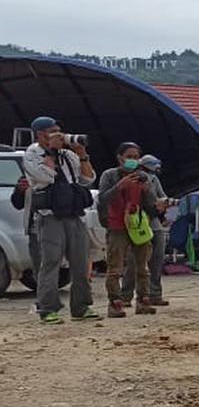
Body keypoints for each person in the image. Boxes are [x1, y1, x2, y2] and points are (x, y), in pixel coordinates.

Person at [23, 116, 98, 324]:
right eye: (53, 131)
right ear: (41, 134)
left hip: (74, 214)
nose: (59, 134)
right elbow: (44, 177)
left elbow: (88, 178)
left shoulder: (68, 155)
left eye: (59, 130)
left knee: (81, 263)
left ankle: (81, 307)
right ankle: (48, 309)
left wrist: (82, 154)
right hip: (50, 216)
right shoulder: (32, 153)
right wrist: (51, 151)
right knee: (51, 262)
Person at [96, 142, 159, 318]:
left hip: (138, 225)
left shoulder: (142, 177)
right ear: (120, 158)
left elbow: (151, 204)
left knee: (143, 267)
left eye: (136, 157)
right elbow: (103, 199)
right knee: (115, 267)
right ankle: (115, 302)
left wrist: (147, 191)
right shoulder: (109, 175)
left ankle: (143, 300)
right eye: (129, 157)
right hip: (117, 225)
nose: (133, 160)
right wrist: (120, 186)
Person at [121, 155, 171, 306]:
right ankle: (125, 296)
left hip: (154, 222)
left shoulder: (154, 180)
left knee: (157, 260)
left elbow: (161, 198)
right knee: (133, 262)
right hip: (136, 223)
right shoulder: (130, 179)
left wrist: (164, 204)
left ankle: (155, 294)